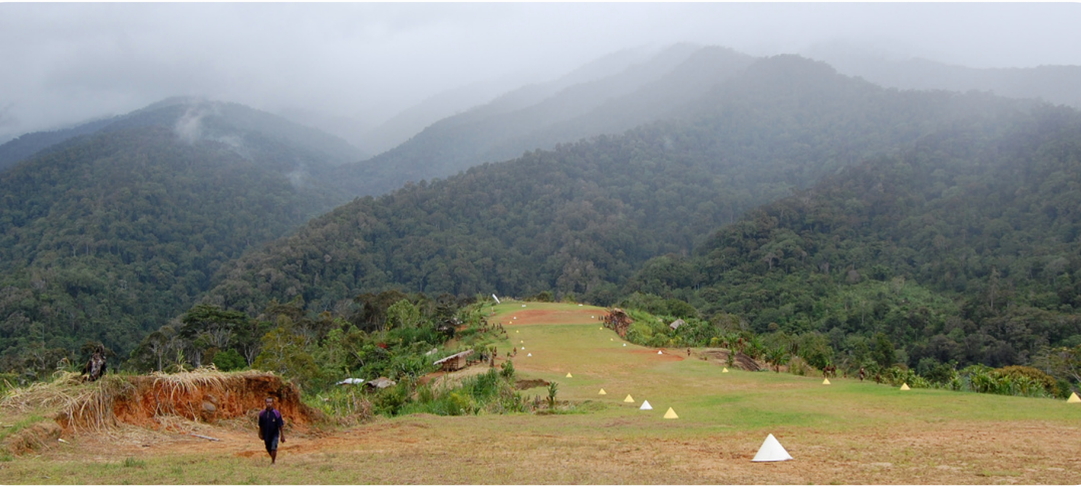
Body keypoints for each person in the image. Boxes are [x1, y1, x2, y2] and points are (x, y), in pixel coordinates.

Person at [258, 397, 285, 464]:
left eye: (270, 402)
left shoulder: (276, 413)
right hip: (266, 433)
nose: (269, 404)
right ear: (265, 403)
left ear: (272, 403)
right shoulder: (262, 414)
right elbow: (260, 425)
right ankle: (273, 457)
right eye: (267, 402)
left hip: (274, 434)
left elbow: (280, 425)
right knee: (268, 447)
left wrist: (282, 435)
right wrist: (260, 433)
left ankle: (273, 462)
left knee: (273, 447)